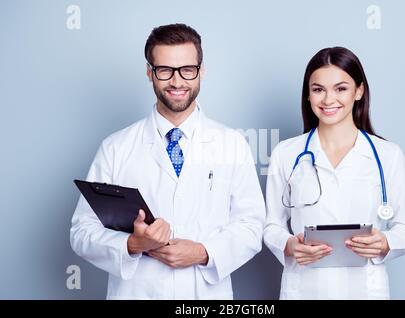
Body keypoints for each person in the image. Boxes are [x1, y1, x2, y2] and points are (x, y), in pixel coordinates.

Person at [70, 23, 265, 299]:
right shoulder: (116, 147)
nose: (177, 81)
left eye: (188, 70)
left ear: (202, 71)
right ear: (150, 72)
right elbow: (82, 231)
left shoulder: (231, 144)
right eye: (165, 70)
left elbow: (251, 225)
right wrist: (133, 244)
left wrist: (202, 252)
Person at [263, 47, 405, 299]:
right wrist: (289, 245)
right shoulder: (286, 153)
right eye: (318, 89)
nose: (328, 99)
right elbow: (271, 226)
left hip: (365, 289)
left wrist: (385, 242)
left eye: (340, 88)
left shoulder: (388, 155)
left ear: (359, 91)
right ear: (308, 95)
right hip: (304, 289)